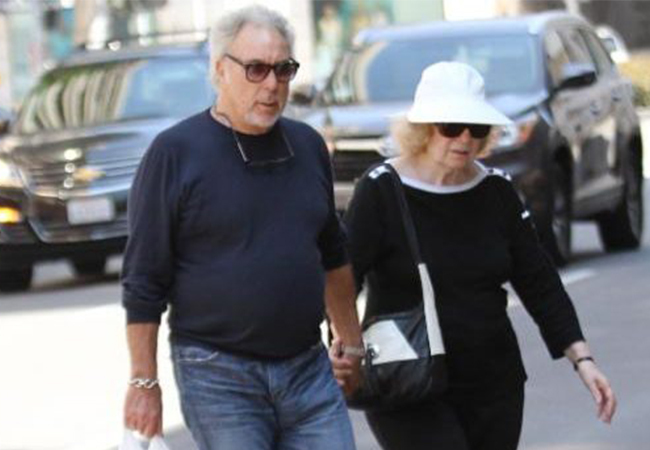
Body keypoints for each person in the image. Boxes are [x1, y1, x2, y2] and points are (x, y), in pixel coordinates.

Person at [340, 61, 617, 450]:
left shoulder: (497, 191)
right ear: (422, 128)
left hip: (493, 383)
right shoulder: (381, 189)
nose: (465, 138)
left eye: (477, 128)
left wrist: (583, 360)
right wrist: (342, 347)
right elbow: (342, 278)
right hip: (408, 378)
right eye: (451, 126)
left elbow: (539, 282)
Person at [121, 5, 363, 450]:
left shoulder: (307, 146)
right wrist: (143, 382)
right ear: (219, 69)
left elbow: (333, 253)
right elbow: (143, 280)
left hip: (308, 369)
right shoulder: (175, 153)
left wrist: (352, 345)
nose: (272, 84)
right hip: (218, 376)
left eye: (283, 69)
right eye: (256, 69)